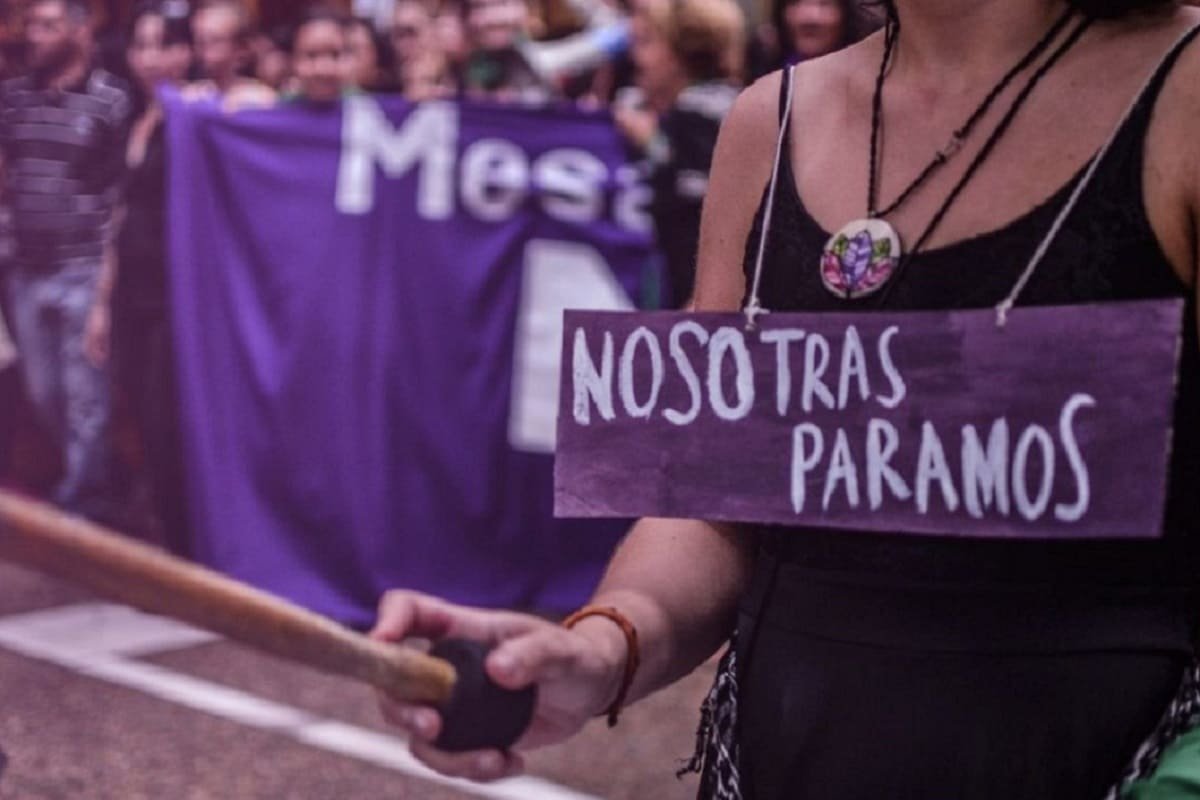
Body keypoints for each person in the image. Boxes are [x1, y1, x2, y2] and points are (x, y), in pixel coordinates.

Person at [370, 0, 1200, 797]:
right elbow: (716, 499)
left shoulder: (1182, 95)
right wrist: (599, 649)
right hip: (779, 757)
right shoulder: (770, 118)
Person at [0, 0, 131, 522]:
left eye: (49, 25)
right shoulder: (12, 99)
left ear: (79, 32)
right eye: (31, 25)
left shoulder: (111, 100)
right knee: (43, 391)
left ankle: (83, 509)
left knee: (87, 400)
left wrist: (106, 280)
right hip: (27, 268)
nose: (35, 35)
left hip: (84, 266)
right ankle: (104, 480)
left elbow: (120, 192)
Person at [110, 0, 193, 554]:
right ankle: (159, 526)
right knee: (136, 409)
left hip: (176, 295)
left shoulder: (197, 115)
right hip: (128, 292)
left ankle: (183, 543)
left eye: (163, 45)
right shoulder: (131, 116)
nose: (151, 58)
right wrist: (100, 301)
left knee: (168, 421)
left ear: (186, 53)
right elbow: (119, 215)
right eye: (141, 46)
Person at [614, 0, 744, 307]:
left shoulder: (699, 110)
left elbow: (704, 208)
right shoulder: (718, 100)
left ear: (683, 52)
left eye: (646, 41)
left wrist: (651, 143)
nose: (635, 57)